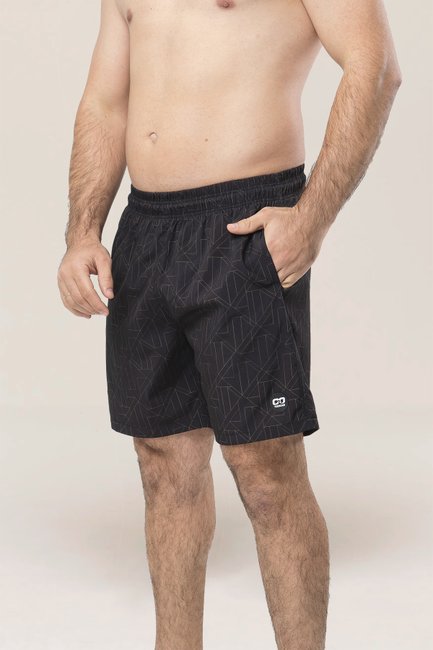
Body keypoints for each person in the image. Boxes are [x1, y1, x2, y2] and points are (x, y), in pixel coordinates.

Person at [57, 1, 401, 648]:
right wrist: (82, 231)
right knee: (162, 465)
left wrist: (311, 218)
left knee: (266, 470)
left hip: (244, 225)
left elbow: (375, 66)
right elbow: (106, 101)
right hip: (145, 232)